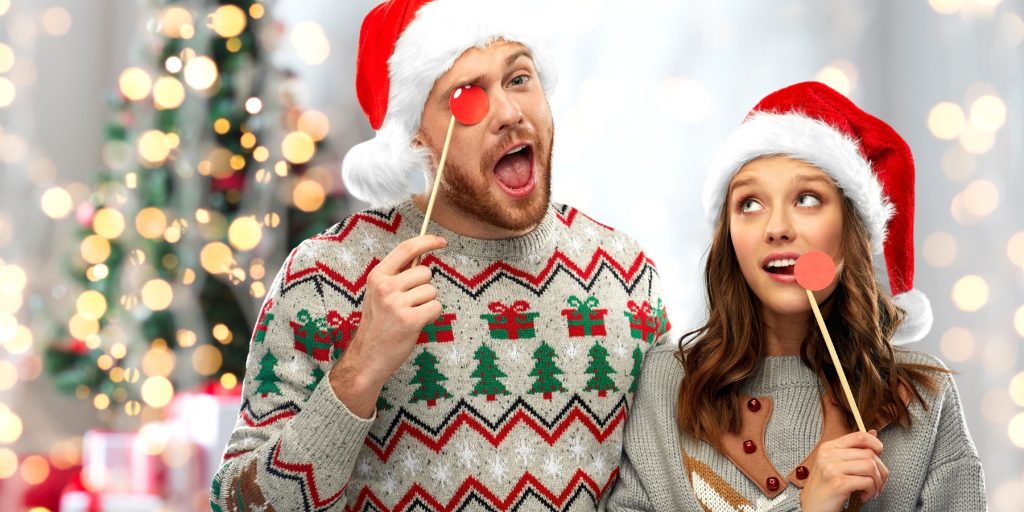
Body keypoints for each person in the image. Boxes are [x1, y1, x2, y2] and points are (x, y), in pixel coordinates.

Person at [210, 1, 672, 510]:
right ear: (416, 134)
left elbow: (660, 485)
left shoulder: (625, 272)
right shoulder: (323, 276)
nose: (510, 113)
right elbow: (238, 502)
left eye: (519, 78)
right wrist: (360, 370)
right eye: (467, 97)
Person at [606, 82, 986, 511]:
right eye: (750, 204)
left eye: (807, 199)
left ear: (851, 230)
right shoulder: (668, 382)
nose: (776, 227)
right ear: (730, 236)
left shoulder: (922, 398)